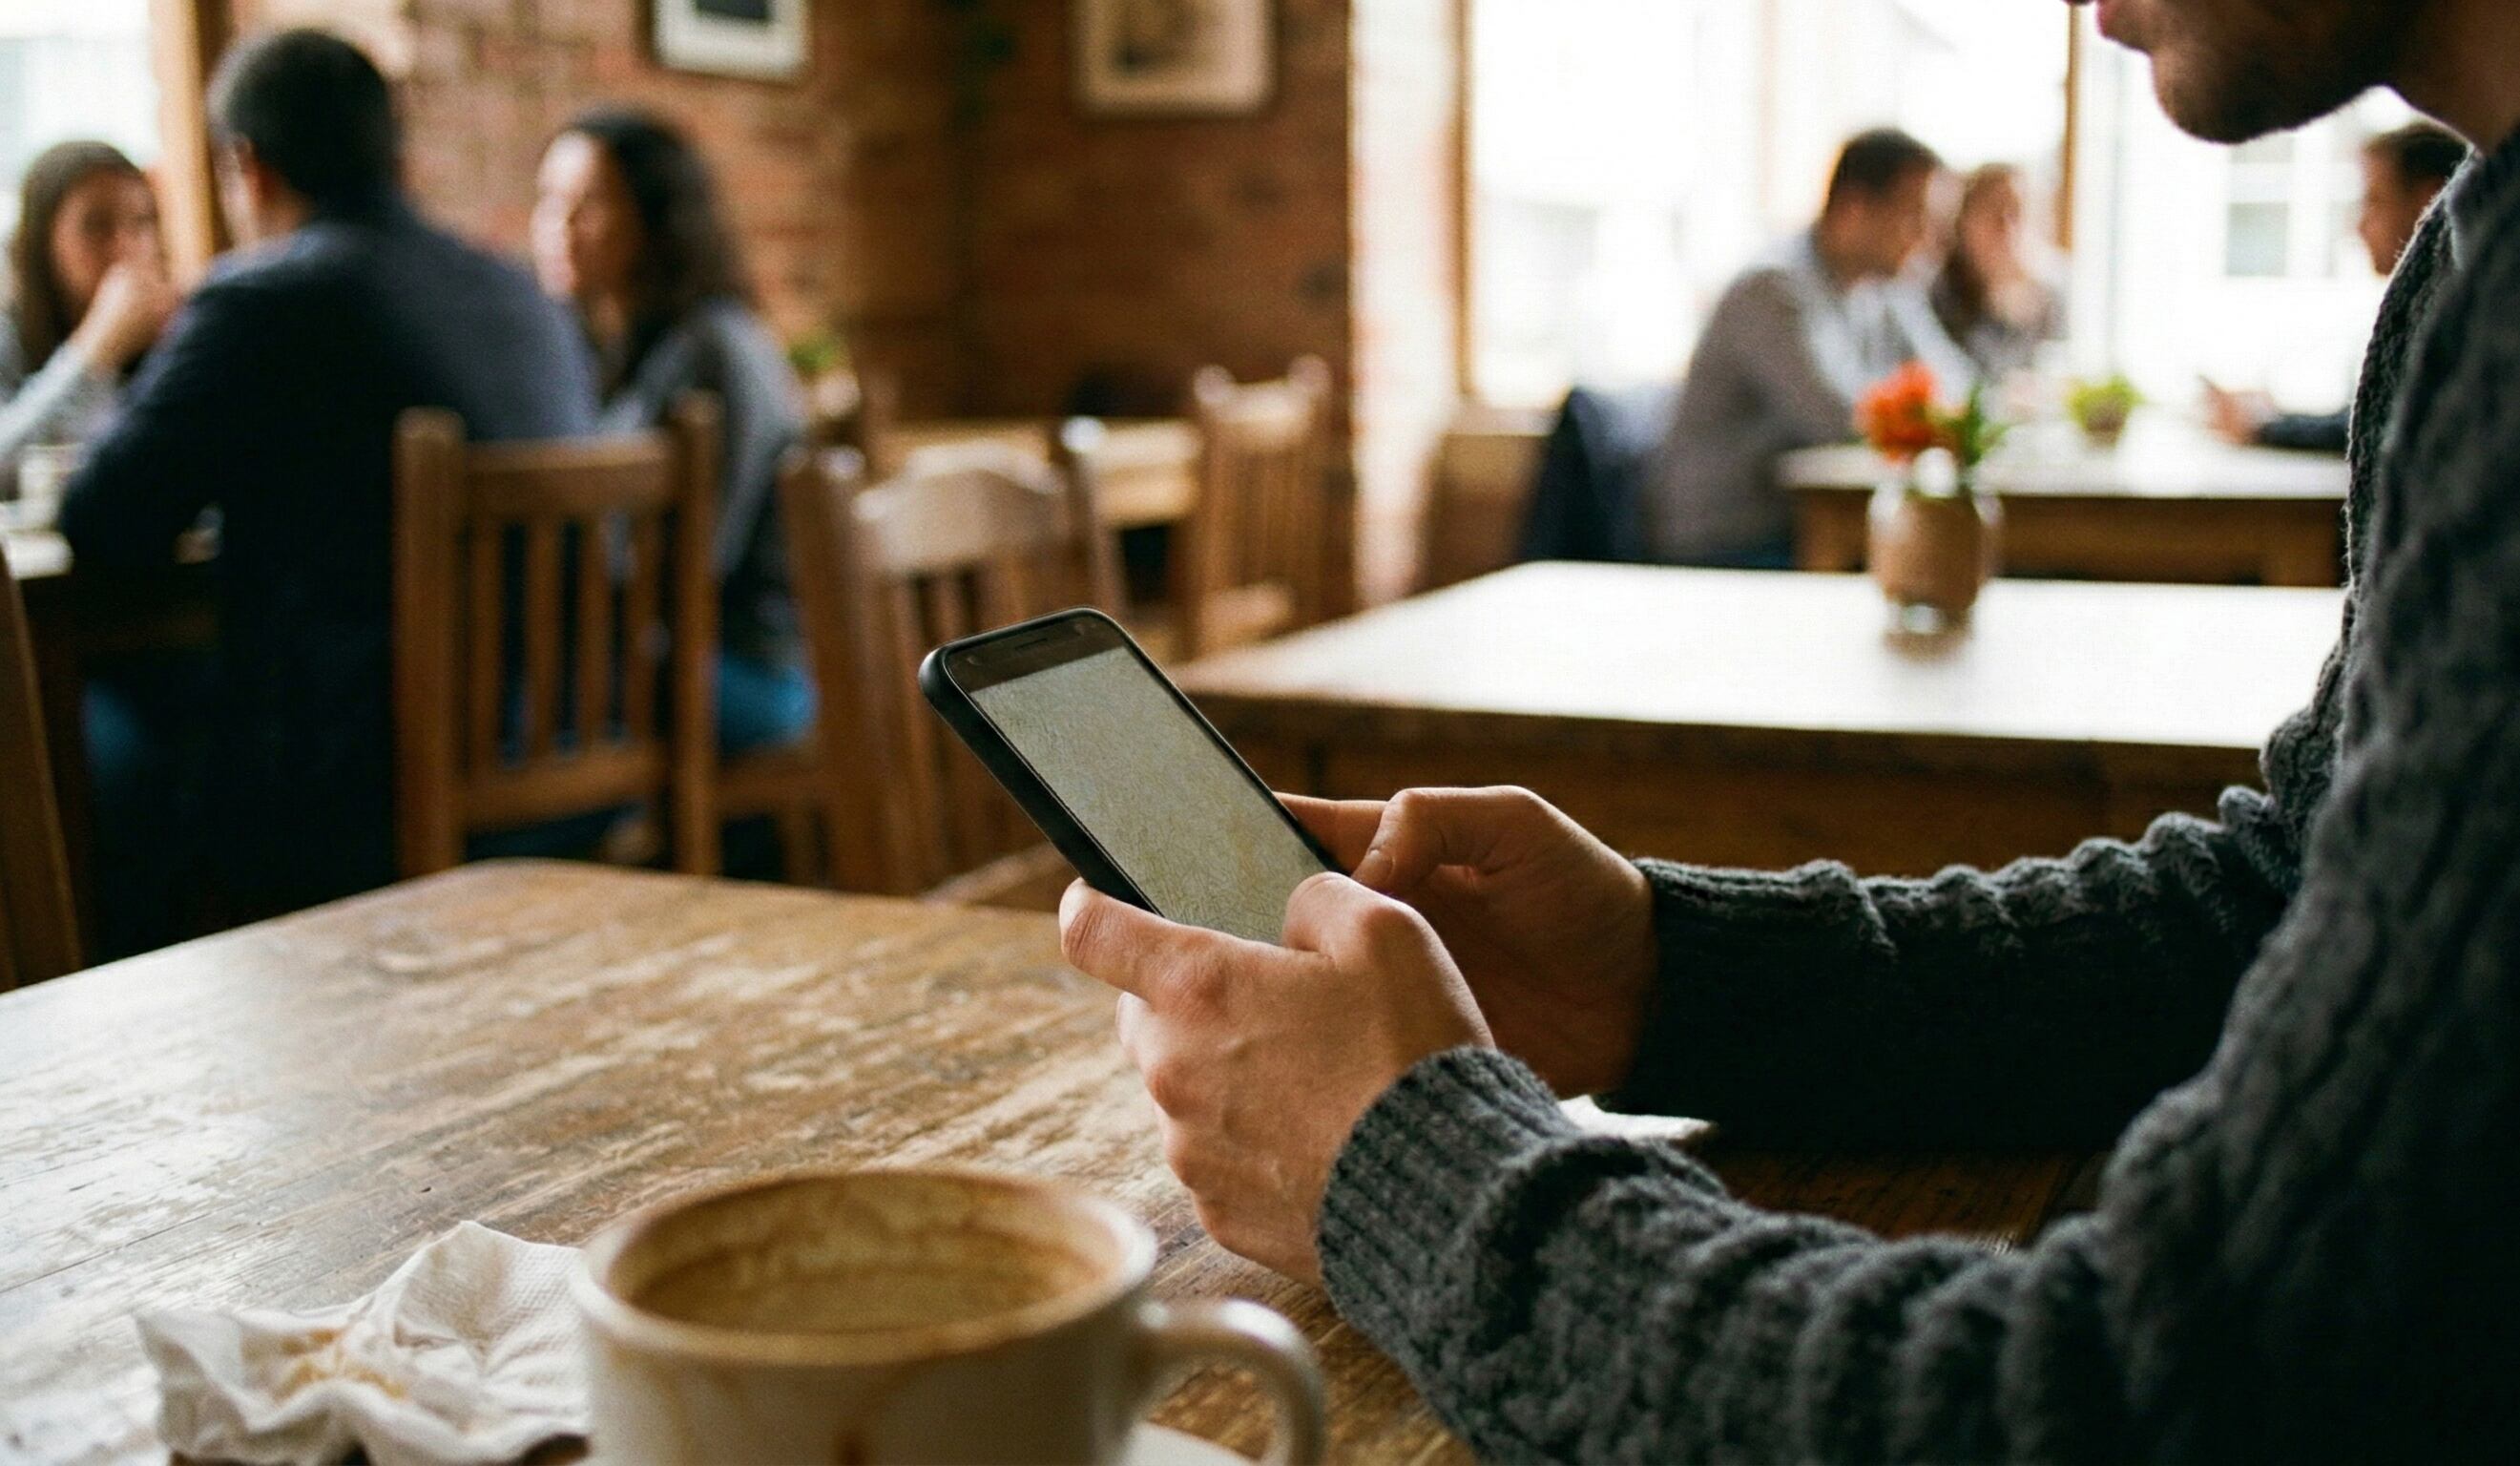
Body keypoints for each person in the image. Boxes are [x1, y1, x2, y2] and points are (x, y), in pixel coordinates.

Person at [1054, 0, 2520, 1456]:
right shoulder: (2469, 258)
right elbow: (2280, 898)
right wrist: (1670, 971)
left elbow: (2146, 1401)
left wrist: (1407, 1173)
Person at [58, 29, 596, 943]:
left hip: (360, 794)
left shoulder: (259, 300)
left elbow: (103, 520)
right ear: (394, 151)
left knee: (106, 748)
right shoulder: (518, 295)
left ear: (247, 167)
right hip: (570, 751)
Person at [531, 108, 810, 763]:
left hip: (750, 670)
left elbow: (691, 560)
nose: (558, 227)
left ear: (657, 220)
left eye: (589, 205)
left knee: (507, 697)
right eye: (548, 201)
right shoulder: (614, 347)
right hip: (667, 651)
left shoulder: (713, 350)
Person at [1641, 128, 1974, 567]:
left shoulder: (1885, 290)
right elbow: (1843, 421)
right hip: (1729, 538)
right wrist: (1929, 415)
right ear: (1853, 210)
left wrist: (1936, 411)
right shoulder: (1771, 289)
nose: (1931, 243)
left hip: (1804, 524)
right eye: (1916, 218)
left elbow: (1964, 389)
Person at [2205, 120, 2468, 452]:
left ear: (2427, 202)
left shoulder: (2451, 317)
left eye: (2374, 201)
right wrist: (2271, 418)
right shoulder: (2431, 308)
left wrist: (2263, 427)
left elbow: (2383, 431)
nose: (2358, 227)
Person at [1, 141, 177, 495]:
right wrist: (92, 353)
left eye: (142, 222)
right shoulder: (9, 335)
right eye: (97, 225)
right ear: (42, 239)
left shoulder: (180, 332)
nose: (125, 245)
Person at [1929, 161, 2064, 379]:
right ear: (1963, 221)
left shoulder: (2052, 292)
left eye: (2017, 212)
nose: (2006, 227)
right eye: (1993, 210)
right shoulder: (1936, 294)